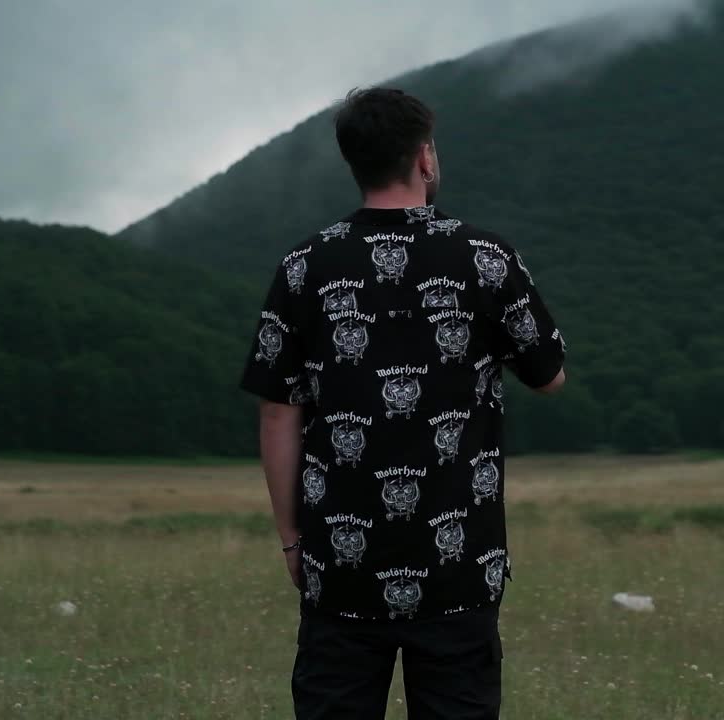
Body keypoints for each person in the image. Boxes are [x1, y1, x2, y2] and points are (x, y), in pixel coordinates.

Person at [239, 86, 566, 720]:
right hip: (459, 567)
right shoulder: (486, 259)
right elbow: (549, 374)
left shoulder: (305, 266)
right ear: (424, 157)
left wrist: (290, 541)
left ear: (353, 163)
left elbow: (278, 411)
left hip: (340, 565)